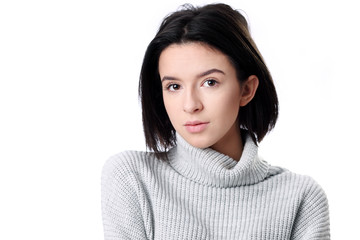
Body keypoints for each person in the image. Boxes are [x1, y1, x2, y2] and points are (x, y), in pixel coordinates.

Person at [101, 3, 330, 239]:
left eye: (210, 82)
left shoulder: (301, 198)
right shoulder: (133, 177)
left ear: (246, 89)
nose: (190, 105)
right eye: (174, 86)